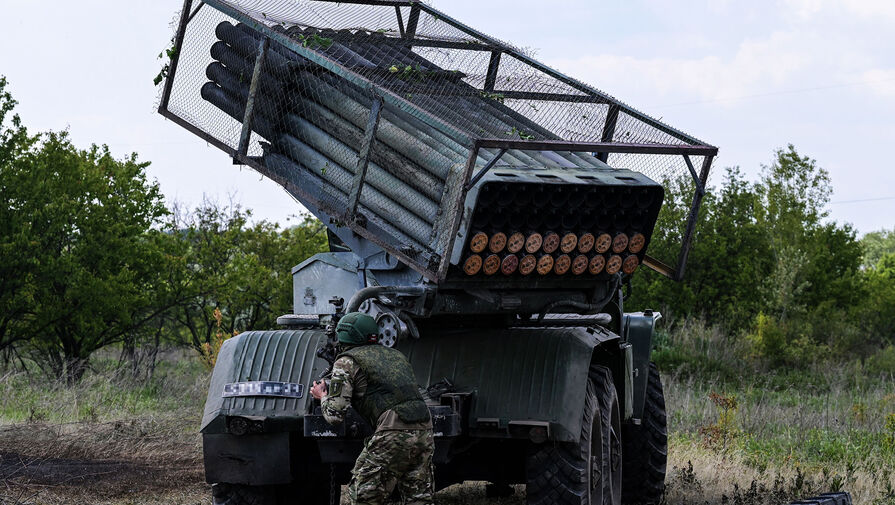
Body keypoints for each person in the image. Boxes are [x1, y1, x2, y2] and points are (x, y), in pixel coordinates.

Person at [310, 312, 435, 505]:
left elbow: (335, 415)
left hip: (394, 431)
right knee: (418, 498)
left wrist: (322, 395)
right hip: (424, 429)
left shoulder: (346, 361)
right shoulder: (396, 356)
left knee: (363, 495)